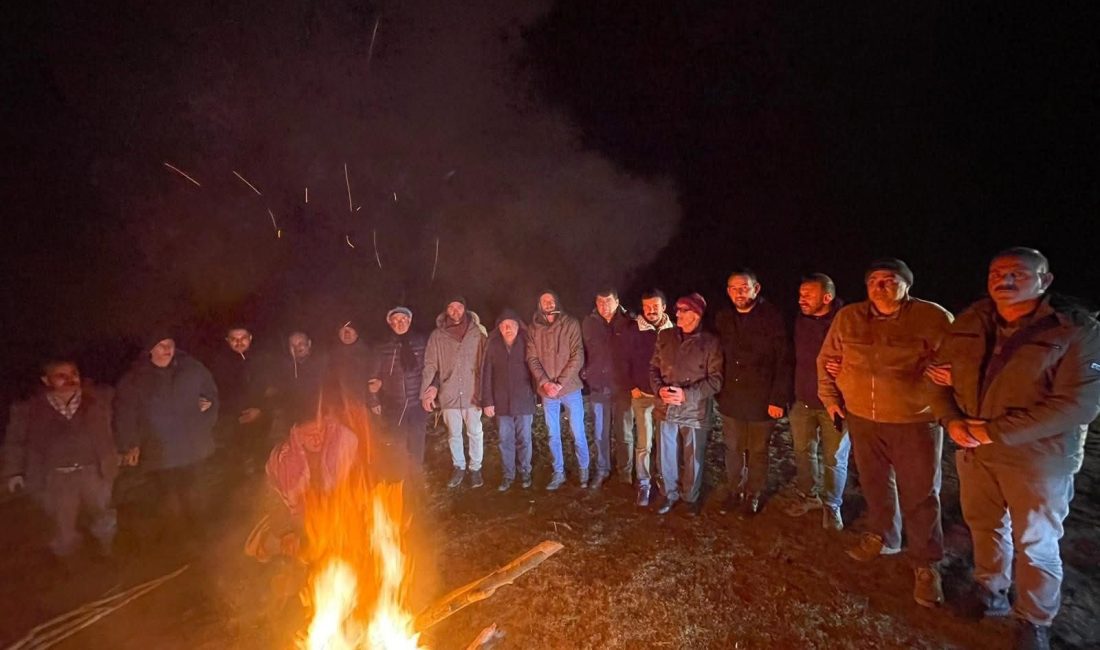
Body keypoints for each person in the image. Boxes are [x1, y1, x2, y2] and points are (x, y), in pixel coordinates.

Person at [932, 248, 1100, 649]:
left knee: (1036, 542)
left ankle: (1034, 619)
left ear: (1045, 280)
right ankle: (990, 590)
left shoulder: (1074, 329)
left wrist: (993, 432)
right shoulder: (972, 320)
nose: (1004, 279)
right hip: (976, 452)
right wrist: (950, 420)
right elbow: (937, 378)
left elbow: (1078, 405)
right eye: (997, 272)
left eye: (1017, 273)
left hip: (1038, 459)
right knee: (984, 526)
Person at [817, 258, 952, 608]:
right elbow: (826, 359)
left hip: (914, 420)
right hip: (863, 417)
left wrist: (948, 396)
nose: (880, 286)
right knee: (875, 483)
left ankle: (925, 563)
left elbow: (957, 362)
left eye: (889, 280)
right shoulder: (849, 318)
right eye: (873, 280)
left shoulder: (932, 317)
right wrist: (831, 400)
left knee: (921, 492)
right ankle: (884, 536)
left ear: (907, 284)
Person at [3, 360, 120, 558]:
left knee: (103, 514)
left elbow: (120, 424)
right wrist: (14, 472)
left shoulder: (99, 399)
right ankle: (70, 561)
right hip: (55, 478)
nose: (70, 379)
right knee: (62, 524)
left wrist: (123, 450)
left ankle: (108, 550)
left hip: (95, 471)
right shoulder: (28, 409)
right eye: (61, 376)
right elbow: (15, 441)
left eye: (74, 374)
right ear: (46, 380)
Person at [114, 332, 219, 544]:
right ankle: (178, 541)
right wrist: (130, 444)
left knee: (195, 493)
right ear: (150, 349)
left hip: (193, 447)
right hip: (159, 451)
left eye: (170, 344)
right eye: (161, 345)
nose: (167, 349)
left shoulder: (192, 369)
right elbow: (125, 414)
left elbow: (212, 397)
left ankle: (202, 537)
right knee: (169, 498)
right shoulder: (135, 379)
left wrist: (205, 418)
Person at [714, 269, 791, 515]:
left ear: (756, 289)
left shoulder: (772, 318)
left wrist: (778, 399)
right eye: (734, 289)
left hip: (762, 398)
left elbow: (784, 360)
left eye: (744, 288)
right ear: (728, 292)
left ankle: (753, 494)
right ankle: (734, 490)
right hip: (732, 397)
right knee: (733, 448)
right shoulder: (723, 318)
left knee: (758, 450)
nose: (739, 293)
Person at [245, 416, 359, 563]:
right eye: (310, 435)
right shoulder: (284, 465)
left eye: (321, 432)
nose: (317, 439)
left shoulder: (341, 448)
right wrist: (286, 533)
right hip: (300, 524)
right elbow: (272, 503)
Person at [784, 274, 849, 530]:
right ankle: (808, 495)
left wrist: (846, 367)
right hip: (803, 400)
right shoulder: (801, 321)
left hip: (837, 404)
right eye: (800, 294)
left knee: (834, 458)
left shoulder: (845, 323)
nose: (802, 299)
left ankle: (832, 505)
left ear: (827, 297)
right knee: (803, 453)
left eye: (808, 295)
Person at [650, 293, 723, 516]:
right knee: (666, 455)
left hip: (694, 410)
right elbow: (653, 368)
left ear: (697, 314)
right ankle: (668, 494)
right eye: (677, 309)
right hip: (666, 408)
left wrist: (686, 395)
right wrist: (659, 389)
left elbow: (715, 380)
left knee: (693, 457)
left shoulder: (710, 343)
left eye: (684, 310)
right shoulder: (665, 336)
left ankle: (690, 497)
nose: (678, 314)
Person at [420, 297, 488, 489]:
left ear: (465, 309)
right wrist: (426, 392)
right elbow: (430, 365)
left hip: (473, 392)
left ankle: (475, 468)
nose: (455, 311)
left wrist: (487, 392)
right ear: (446, 311)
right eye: (451, 307)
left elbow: (486, 364)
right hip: (448, 393)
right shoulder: (437, 336)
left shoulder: (477, 333)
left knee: (475, 432)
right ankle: (459, 466)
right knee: (454, 434)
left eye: (459, 307)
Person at [526, 290, 589, 490]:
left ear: (557, 302)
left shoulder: (570, 324)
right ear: (539, 304)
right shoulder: (534, 328)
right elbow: (532, 358)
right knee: (553, 434)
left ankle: (584, 469)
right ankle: (558, 472)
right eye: (544, 301)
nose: (549, 303)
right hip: (547, 392)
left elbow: (577, 355)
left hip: (570, 388)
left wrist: (560, 383)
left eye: (551, 300)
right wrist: (545, 383)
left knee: (578, 431)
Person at [623, 289, 674, 506]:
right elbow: (623, 359)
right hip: (642, 395)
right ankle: (644, 484)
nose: (651, 311)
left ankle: (664, 481)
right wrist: (632, 386)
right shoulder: (634, 330)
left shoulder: (673, 330)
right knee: (644, 443)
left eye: (655, 306)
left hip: (664, 398)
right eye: (647, 307)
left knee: (665, 443)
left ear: (664, 307)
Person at [581, 288, 632, 489]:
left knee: (624, 433)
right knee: (601, 433)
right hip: (598, 386)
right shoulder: (589, 323)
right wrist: (586, 372)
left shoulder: (629, 321)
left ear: (617, 301)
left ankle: (625, 472)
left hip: (622, 388)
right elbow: (582, 350)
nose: (604, 306)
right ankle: (603, 470)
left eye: (608, 301)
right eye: (600, 302)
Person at [481, 309, 537, 491]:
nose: (508, 328)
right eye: (504, 325)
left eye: (511, 325)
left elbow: (535, 369)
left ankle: (525, 471)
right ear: (499, 328)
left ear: (518, 326)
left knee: (525, 439)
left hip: (524, 400)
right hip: (501, 402)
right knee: (505, 440)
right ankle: (508, 475)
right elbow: (486, 374)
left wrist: (538, 396)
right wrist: (487, 401)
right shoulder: (493, 345)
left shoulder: (526, 342)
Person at [370, 306, 428, 470]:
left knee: (417, 441)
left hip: (417, 403)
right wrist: (373, 400)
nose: (400, 323)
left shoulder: (421, 342)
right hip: (394, 404)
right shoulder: (382, 347)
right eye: (396, 320)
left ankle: (416, 473)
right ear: (390, 323)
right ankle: (400, 474)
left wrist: (432, 392)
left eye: (403, 319)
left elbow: (430, 369)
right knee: (397, 442)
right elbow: (373, 377)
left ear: (409, 321)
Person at [208, 326, 267, 474]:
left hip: (262, 422)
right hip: (233, 423)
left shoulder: (263, 359)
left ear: (250, 338)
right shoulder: (219, 363)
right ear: (227, 340)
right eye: (234, 339)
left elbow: (274, 389)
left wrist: (260, 409)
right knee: (235, 466)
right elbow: (216, 392)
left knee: (262, 465)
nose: (239, 342)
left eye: (243, 338)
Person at [267, 331, 327, 443]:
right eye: (293, 345)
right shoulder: (285, 367)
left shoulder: (322, 362)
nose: (297, 348)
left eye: (300, 344)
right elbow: (279, 392)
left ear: (309, 343)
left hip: (319, 419)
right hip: (294, 421)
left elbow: (330, 391)